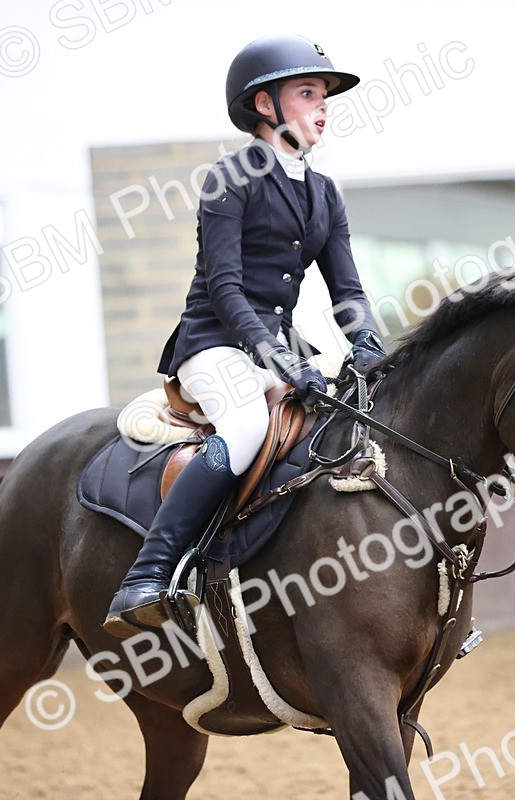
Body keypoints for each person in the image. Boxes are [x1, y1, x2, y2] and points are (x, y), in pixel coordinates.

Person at [103, 34, 387, 637]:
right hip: (216, 343)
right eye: (307, 93)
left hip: (280, 352)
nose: (323, 105)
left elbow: (348, 291)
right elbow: (226, 290)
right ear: (266, 106)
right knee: (247, 426)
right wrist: (281, 360)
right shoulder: (229, 178)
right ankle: (147, 575)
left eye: (324, 95)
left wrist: (367, 345)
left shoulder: (324, 193)